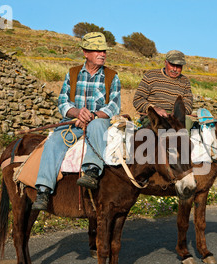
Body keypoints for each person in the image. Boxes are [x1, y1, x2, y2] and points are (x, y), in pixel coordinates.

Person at [32, 32, 121, 210]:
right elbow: (63, 102)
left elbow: (114, 106)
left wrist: (93, 116)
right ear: (85, 52)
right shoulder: (72, 74)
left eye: (104, 50)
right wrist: (77, 113)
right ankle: (43, 191)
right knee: (54, 142)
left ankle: (91, 171)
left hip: (98, 122)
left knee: (96, 126)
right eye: (97, 50)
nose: (102, 54)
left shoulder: (112, 76)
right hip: (73, 123)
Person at [133, 50, 193, 117]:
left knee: (186, 123)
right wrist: (154, 109)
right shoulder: (151, 75)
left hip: (176, 117)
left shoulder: (185, 81)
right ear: (165, 62)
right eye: (172, 65)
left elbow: (188, 104)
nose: (175, 69)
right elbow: (137, 99)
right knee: (159, 126)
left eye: (178, 66)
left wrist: (178, 113)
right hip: (153, 115)